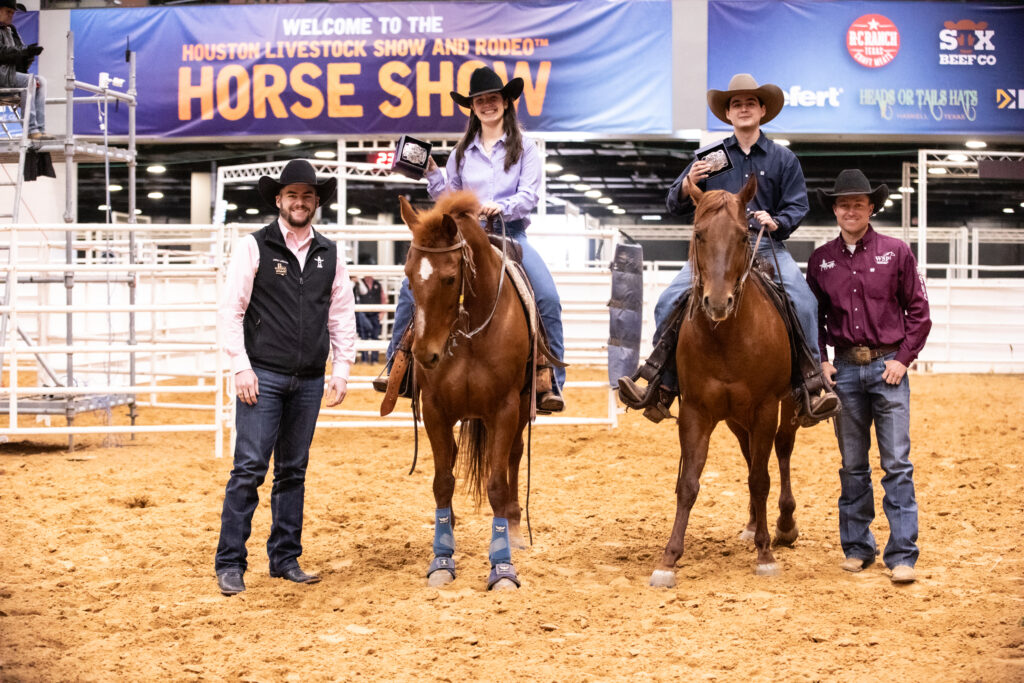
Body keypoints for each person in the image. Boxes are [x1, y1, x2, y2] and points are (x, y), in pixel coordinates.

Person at [618, 73, 839, 425]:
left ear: (762, 110)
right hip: (715, 252)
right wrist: (688, 182)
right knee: (668, 301)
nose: (744, 109)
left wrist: (777, 220)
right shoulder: (710, 157)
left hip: (764, 245)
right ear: (729, 114)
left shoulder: (783, 159)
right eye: (737, 104)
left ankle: (809, 386)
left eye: (750, 103)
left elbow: (797, 206)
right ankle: (663, 381)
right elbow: (675, 201)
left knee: (804, 301)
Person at [379, 66, 565, 412]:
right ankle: (398, 365)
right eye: (480, 101)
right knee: (413, 288)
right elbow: (448, 199)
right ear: (473, 107)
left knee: (548, 298)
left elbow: (530, 196)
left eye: (493, 99)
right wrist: (434, 174)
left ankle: (550, 380)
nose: (487, 105)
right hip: (466, 238)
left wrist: (501, 207)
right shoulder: (461, 152)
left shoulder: (526, 148)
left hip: (512, 234)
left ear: (506, 103)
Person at [215, 159, 357, 596]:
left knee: (293, 470)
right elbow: (231, 311)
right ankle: (230, 562)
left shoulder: (329, 253)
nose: (300, 202)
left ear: (316, 202)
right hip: (263, 376)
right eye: (292, 195)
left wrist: (341, 368)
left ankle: (284, 558)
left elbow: (341, 313)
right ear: (279, 200)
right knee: (250, 468)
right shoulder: (253, 247)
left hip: (310, 379)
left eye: (308, 195)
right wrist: (240, 365)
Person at [807, 169, 931, 584]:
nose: (850, 210)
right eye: (843, 204)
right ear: (835, 210)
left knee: (896, 463)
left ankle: (902, 555)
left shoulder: (896, 252)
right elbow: (815, 317)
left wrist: (903, 358)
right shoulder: (821, 260)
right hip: (844, 370)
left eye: (858, 203)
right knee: (853, 465)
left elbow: (919, 311)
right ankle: (858, 548)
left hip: (887, 368)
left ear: (871, 208)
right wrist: (822, 360)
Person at [0, 0, 51, 141]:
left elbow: (18, 51)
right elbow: (3, 52)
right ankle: (31, 130)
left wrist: (28, 55)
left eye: (13, 13)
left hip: (8, 76)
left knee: (41, 81)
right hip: (2, 77)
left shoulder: (11, 30)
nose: (11, 16)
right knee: (30, 81)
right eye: (8, 12)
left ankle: (40, 129)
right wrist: (25, 51)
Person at [353, 255, 386, 364]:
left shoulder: (377, 284)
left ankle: (375, 360)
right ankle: (364, 359)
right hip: (363, 313)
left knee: (375, 336)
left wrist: (382, 312)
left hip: (375, 314)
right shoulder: (359, 282)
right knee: (364, 336)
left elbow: (383, 298)